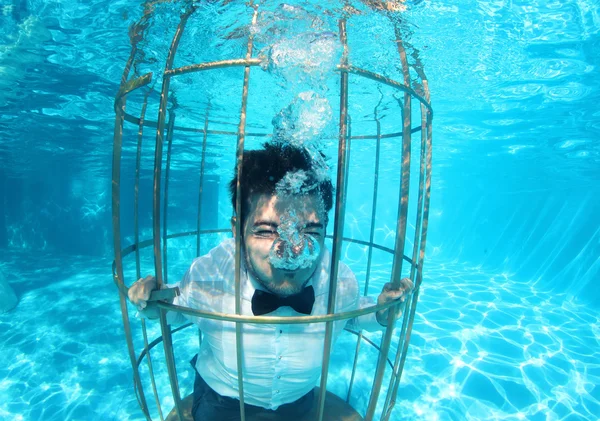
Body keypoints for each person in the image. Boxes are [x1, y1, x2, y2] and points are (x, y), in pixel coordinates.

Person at [128, 142, 413, 421]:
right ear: (237, 229)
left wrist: (380, 313)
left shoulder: (339, 280)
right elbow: (174, 310)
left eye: (311, 231)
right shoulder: (210, 275)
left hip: (298, 400)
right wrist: (152, 299)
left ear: (327, 229)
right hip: (221, 399)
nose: (290, 254)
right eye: (266, 231)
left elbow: (349, 317)